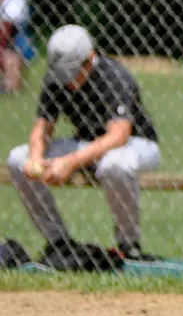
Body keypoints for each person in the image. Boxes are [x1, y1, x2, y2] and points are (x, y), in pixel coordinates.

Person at [6, 25, 161, 261]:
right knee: (18, 158)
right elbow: (42, 129)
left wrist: (70, 162)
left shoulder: (113, 76)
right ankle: (59, 242)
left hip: (135, 145)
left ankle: (128, 246)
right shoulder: (56, 77)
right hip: (86, 145)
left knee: (115, 165)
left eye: (72, 72)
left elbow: (119, 135)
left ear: (90, 59)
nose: (66, 81)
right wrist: (36, 155)